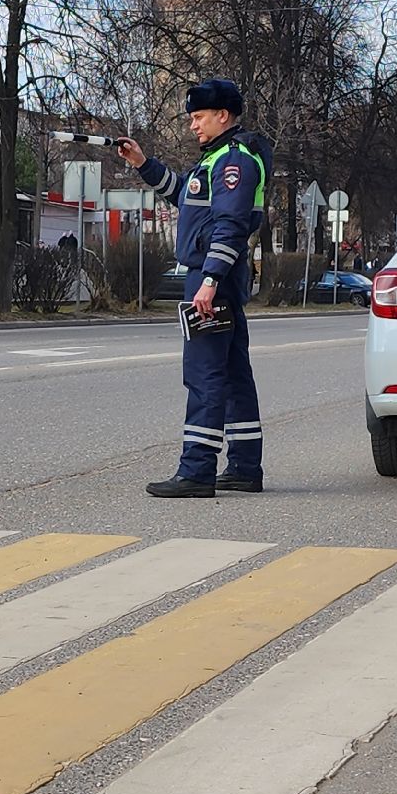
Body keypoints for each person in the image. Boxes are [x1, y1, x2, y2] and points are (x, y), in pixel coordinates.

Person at [116, 78, 275, 498]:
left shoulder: (233, 163)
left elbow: (230, 226)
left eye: (199, 117)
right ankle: (243, 465)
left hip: (212, 279)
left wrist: (208, 281)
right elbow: (183, 195)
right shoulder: (218, 159)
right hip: (218, 279)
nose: (193, 125)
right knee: (234, 375)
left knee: (204, 374)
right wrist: (142, 163)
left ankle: (197, 470)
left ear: (223, 115)